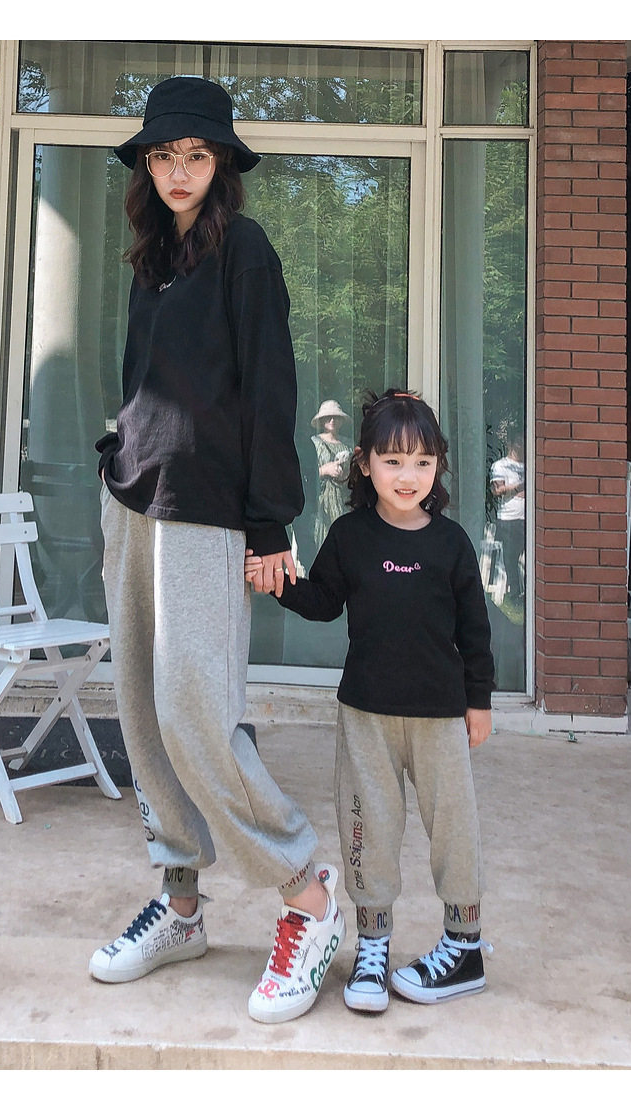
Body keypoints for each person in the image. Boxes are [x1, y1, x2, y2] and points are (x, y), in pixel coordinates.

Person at [90, 76, 344, 1025]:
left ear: (222, 164)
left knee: (196, 712)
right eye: (164, 156)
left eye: (195, 155)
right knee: (142, 713)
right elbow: (140, 375)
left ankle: (305, 892)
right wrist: (117, 449)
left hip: (206, 510)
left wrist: (271, 521)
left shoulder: (246, 249)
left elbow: (271, 385)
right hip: (134, 501)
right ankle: (182, 902)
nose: (178, 171)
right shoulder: (153, 255)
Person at [246, 388, 495, 1012]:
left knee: (453, 829)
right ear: (364, 464)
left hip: (440, 717)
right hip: (366, 715)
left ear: (438, 466)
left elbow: (475, 631)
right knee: (368, 829)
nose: (408, 476)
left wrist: (479, 701)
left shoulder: (452, 544)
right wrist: (279, 583)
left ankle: (464, 947)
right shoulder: (350, 535)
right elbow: (323, 602)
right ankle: (373, 948)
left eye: (422, 462)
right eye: (393, 461)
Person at [310, 399, 352, 547]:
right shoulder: (314, 443)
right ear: (322, 421)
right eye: (328, 417)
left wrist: (345, 474)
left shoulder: (348, 444)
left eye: (336, 417)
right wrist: (324, 470)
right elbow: (304, 474)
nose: (332, 420)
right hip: (321, 503)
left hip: (343, 500)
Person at [489, 429, 525, 598]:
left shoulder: (530, 464)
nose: (521, 446)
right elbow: (497, 490)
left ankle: (527, 592)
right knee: (511, 558)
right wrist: (520, 486)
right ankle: (515, 594)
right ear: (510, 444)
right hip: (509, 518)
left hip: (527, 518)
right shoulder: (500, 465)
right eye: (517, 442)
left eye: (522, 442)